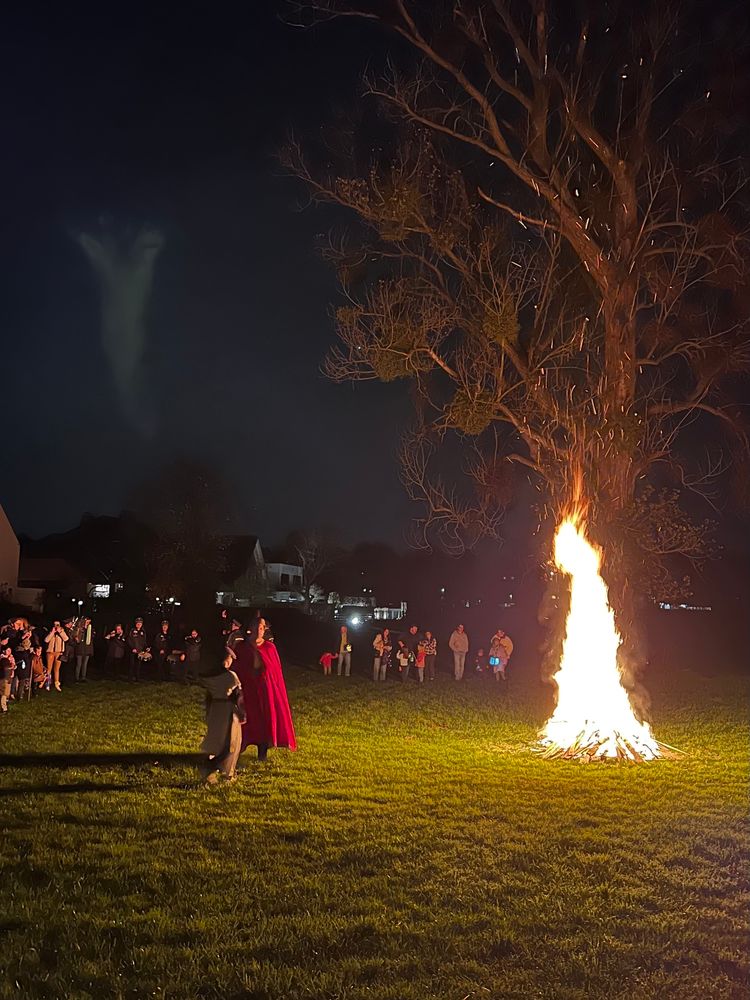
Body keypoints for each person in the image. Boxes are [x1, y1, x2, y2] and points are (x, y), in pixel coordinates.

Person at [232, 616, 296, 761]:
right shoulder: (242, 647)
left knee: (264, 719)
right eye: (257, 627)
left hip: (265, 690)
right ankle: (238, 747)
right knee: (248, 719)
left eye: (262, 628)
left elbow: (275, 671)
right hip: (248, 690)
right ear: (251, 629)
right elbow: (237, 668)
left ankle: (262, 752)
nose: (260, 631)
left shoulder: (269, 648)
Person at [199, 654, 246, 786]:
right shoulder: (231, 676)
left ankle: (215, 769)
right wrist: (240, 712)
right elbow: (237, 696)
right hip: (227, 710)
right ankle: (219, 768)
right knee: (231, 742)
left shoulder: (210, 677)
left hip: (215, 708)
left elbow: (208, 696)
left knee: (215, 739)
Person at [45, 620, 69, 691]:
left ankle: (56, 683)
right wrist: (52, 632)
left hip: (59, 652)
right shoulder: (50, 631)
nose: (56, 626)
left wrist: (60, 632)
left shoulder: (62, 631)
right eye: (55, 624)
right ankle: (48, 683)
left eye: (57, 625)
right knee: (49, 669)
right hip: (50, 652)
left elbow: (66, 639)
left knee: (57, 669)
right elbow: (46, 640)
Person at [73, 616, 95, 682]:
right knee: (79, 664)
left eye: (89, 622)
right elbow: (77, 637)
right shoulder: (79, 629)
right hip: (80, 648)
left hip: (87, 649)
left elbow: (91, 638)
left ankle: (83, 677)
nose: (87, 623)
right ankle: (76, 678)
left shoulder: (90, 629)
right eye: (86, 622)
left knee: (85, 664)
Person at [1, 647, 15, 712]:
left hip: (9, 677)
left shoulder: (10, 658)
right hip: (4, 678)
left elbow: (12, 666)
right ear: (4, 651)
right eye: (8, 650)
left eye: (10, 650)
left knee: (7, 693)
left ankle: (5, 704)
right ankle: (4, 708)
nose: (9, 652)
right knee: (3, 693)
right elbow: (6, 667)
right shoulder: (3, 659)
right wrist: (11, 666)